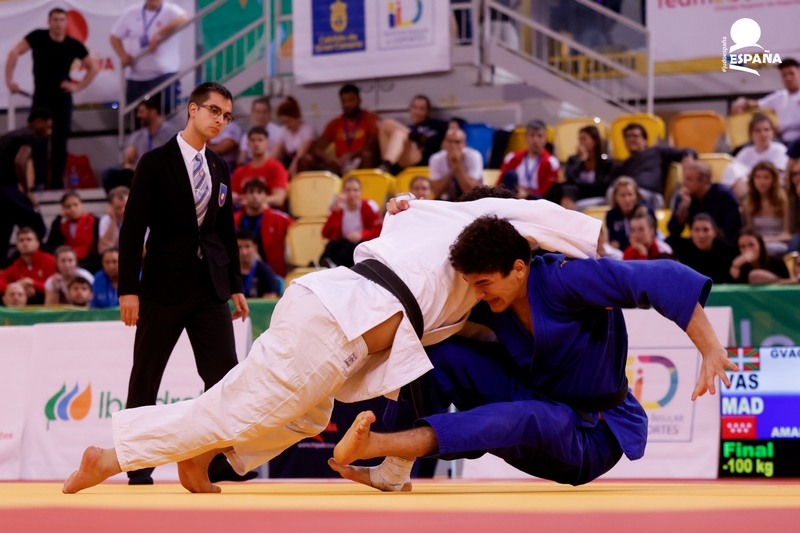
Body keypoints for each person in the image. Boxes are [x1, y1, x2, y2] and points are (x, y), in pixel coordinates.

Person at [61, 189, 602, 495]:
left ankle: (202, 457)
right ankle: (111, 456)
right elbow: (532, 213)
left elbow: (465, 325)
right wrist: (593, 250)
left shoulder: (435, 232)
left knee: (304, 417)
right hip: (335, 323)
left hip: (335, 313)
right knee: (239, 406)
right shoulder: (473, 235)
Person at [327, 214, 735, 490]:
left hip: (589, 438)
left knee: (520, 417)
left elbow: (661, 278)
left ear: (519, 268)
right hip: (537, 397)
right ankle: (394, 470)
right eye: (472, 284)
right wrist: (407, 215)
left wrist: (711, 347)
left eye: (485, 283)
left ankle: (382, 445)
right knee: (437, 349)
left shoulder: (569, 280)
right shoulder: (487, 296)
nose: (478, 294)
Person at [116, 82, 251, 486]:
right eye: (213, 111)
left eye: (226, 116)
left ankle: (218, 461)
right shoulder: (154, 163)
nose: (220, 121)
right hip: (161, 286)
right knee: (147, 374)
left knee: (225, 377)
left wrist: (235, 285)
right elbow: (132, 228)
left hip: (210, 287)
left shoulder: (220, 166)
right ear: (192, 109)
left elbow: (225, 232)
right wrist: (128, 288)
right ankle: (138, 464)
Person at [5, 8, 99, 189]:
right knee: (38, 138)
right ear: (49, 22)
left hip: (62, 98)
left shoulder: (73, 44)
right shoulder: (38, 37)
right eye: (55, 19)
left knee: (60, 141)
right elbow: (13, 53)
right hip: (41, 97)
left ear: (66, 22)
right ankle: (39, 181)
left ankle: (57, 182)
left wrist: (78, 86)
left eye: (62, 20)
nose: (58, 23)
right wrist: (9, 80)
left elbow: (93, 67)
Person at [109, 0, 189, 107]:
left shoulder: (170, 10)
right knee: (136, 115)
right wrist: (123, 55)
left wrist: (159, 33)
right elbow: (114, 36)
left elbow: (184, 19)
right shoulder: (132, 12)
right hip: (137, 76)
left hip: (164, 74)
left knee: (164, 110)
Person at [0, 108, 51, 263]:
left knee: (4, 228)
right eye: (48, 127)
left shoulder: (9, 136)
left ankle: (3, 269)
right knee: (37, 226)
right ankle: (36, 263)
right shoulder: (30, 137)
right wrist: (27, 191)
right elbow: (20, 161)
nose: (49, 132)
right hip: (6, 188)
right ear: (37, 122)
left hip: (3, 192)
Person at [102, 97, 181, 192]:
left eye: (141, 112)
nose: (138, 115)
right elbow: (127, 160)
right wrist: (128, 160)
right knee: (109, 174)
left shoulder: (172, 132)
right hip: (140, 174)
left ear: (153, 112)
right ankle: (118, 202)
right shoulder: (138, 135)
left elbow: (174, 160)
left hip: (162, 174)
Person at [299, 85, 380, 174]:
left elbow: (372, 145)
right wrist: (329, 160)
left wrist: (352, 155)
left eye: (351, 100)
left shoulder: (370, 118)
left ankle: (367, 185)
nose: (347, 105)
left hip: (359, 162)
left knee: (367, 156)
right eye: (343, 101)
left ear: (359, 100)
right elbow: (316, 148)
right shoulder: (334, 123)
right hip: (339, 165)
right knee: (304, 160)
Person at [609, 123, 696, 207]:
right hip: (626, 195)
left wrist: (688, 157)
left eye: (635, 136)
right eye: (628, 136)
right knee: (611, 192)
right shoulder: (623, 164)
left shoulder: (657, 152)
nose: (631, 139)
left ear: (645, 140)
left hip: (650, 195)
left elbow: (687, 151)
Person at [667, 161, 742, 248]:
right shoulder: (684, 197)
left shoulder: (723, 194)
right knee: (670, 242)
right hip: (696, 242)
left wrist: (708, 236)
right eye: (684, 179)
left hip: (721, 242)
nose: (684, 183)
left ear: (704, 180)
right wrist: (684, 206)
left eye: (689, 179)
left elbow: (734, 226)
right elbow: (673, 230)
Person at [731, 58, 800, 144]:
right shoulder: (779, 97)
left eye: (791, 73)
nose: (788, 78)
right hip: (785, 141)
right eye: (784, 75)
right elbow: (756, 104)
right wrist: (742, 101)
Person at [233, 179, 293, 277]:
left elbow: (298, 231)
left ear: (265, 195)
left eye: (259, 192)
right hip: (239, 274)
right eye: (251, 192)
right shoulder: (233, 220)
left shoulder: (279, 219)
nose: (255, 196)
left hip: (272, 275)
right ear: (244, 196)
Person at [320, 177, 383, 268]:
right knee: (332, 244)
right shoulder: (338, 209)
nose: (351, 194)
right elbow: (325, 233)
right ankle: (320, 265)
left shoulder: (370, 206)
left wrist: (362, 234)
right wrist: (335, 212)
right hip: (343, 244)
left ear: (360, 192)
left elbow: (379, 230)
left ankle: (335, 266)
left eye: (355, 190)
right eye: (348, 190)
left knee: (350, 243)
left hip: (361, 246)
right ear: (342, 192)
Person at [722, 113, 789, 198]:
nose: (763, 134)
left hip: (774, 192)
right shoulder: (745, 152)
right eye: (758, 130)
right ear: (751, 134)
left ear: (772, 132)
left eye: (766, 130)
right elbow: (735, 174)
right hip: (750, 190)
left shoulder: (780, 149)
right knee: (732, 168)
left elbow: (779, 176)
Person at [378, 94, 448, 172]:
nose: (417, 112)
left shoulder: (436, 125)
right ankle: (386, 165)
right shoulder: (407, 128)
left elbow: (459, 123)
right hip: (401, 162)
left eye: (422, 109)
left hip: (422, 161)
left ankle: (386, 165)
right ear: (410, 109)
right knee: (385, 124)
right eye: (415, 108)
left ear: (428, 112)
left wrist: (454, 124)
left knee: (399, 133)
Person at [740, 161, 791, 257]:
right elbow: (750, 232)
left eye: (766, 177)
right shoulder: (748, 204)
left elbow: (787, 235)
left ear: (774, 180)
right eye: (758, 177)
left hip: (779, 244)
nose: (761, 182)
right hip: (756, 245)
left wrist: (767, 240)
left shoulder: (784, 202)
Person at [499, 120, 559, 200]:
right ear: (525, 137)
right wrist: (518, 191)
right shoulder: (512, 157)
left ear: (546, 139)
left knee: (539, 198)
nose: (535, 140)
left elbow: (547, 190)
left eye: (540, 136)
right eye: (532, 135)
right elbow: (500, 183)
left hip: (536, 199)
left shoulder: (552, 162)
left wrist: (527, 194)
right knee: (510, 175)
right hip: (514, 196)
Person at [230, 127, 288, 209]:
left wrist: (253, 201)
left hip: (268, 213)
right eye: (253, 140)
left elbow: (279, 199)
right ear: (248, 143)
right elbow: (231, 195)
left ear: (268, 143)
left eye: (260, 140)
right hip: (242, 215)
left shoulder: (276, 167)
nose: (256, 144)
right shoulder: (239, 171)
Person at [669, 214, 736, 284]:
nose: (701, 235)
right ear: (691, 232)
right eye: (696, 230)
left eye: (706, 230)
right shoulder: (683, 253)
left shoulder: (728, 252)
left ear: (715, 232)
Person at [0, 226, 55, 305]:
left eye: (29, 239)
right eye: (21, 240)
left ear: (37, 243)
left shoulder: (50, 260)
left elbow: (55, 288)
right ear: (17, 245)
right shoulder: (17, 264)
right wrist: (18, 286)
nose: (25, 243)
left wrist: (32, 283)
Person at [46, 192, 100, 272]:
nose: (72, 209)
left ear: (82, 205)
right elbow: (52, 243)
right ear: (63, 209)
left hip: (90, 260)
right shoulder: (62, 225)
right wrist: (58, 217)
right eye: (68, 206)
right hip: (68, 260)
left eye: (75, 205)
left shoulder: (94, 220)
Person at [561, 125, 613, 200]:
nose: (581, 142)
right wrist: (581, 161)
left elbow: (602, 185)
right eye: (580, 139)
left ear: (594, 141)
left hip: (595, 195)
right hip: (576, 195)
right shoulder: (573, 159)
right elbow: (569, 178)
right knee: (567, 189)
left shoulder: (605, 162)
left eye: (584, 139)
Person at [429, 128, 483, 201]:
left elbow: (470, 191)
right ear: (444, 142)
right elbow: (436, 192)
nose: (453, 145)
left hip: (474, 200)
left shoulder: (474, 156)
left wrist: (458, 164)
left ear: (464, 144)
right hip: (448, 200)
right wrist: (452, 169)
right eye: (450, 141)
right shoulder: (436, 158)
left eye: (457, 142)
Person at [605, 177, 655, 252]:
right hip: (623, 252)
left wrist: (622, 243)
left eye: (630, 194)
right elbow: (613, 243)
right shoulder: (611, 215)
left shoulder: (646, 211)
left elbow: (649, 239)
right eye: (622, 195)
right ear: (615, 197)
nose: (627, 199)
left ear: (636, 195)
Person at [269, 96, 315, 178]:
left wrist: (288, 175)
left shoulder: (307, 130)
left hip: (302, 162)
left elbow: (300, 155)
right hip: (289, 159)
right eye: (283, 122)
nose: (286, 125)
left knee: (301, 161)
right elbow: (274, 154)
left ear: (296, 117)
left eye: (288, 122)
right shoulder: (283, 130)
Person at [236, 229, 279, 299]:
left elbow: (269, 301)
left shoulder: (266, 272)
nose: (244, 252)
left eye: (247, 246)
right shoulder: (226, 271)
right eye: (239, 247)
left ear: (255, 247)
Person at [237, 97, 282, 164]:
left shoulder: (279, 132)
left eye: (264, 112)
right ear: (252, 113)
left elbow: (278, 158)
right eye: (258, 112)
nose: (261, 116)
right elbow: (242, 158)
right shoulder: (247, 135)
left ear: (270, 113)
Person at [98, 187, 130, 254]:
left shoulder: (140, 220)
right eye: (119, 208)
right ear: (111, 207)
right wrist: (113, 220)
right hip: (114, 258)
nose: (123, 211)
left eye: (126, 206)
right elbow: (103, 249)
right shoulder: (106, 220)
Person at [786, 159, 800, 253]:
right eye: (794, 174)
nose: (798, 178)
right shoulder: (790, 198)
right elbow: (793, 228)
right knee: (795, 240)